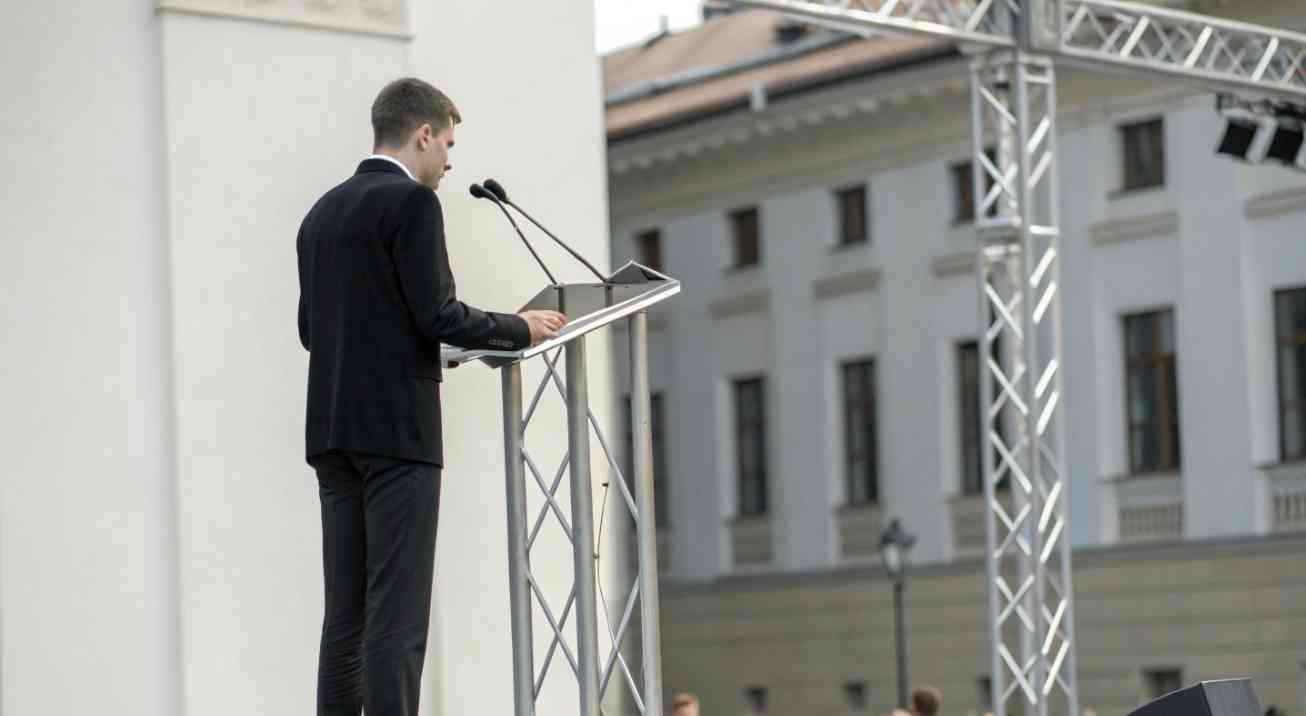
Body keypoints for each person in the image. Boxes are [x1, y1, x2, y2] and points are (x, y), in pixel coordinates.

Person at [296, 77, 566, 716]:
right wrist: (517, 327)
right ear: (422, 134)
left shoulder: (321, 212)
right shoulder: (413, 205)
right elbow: (439, 315)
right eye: (447, 143)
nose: (449, 161)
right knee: (397, 615)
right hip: (399, 438)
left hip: (334, 436)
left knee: (347, 617)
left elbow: (314, 331)